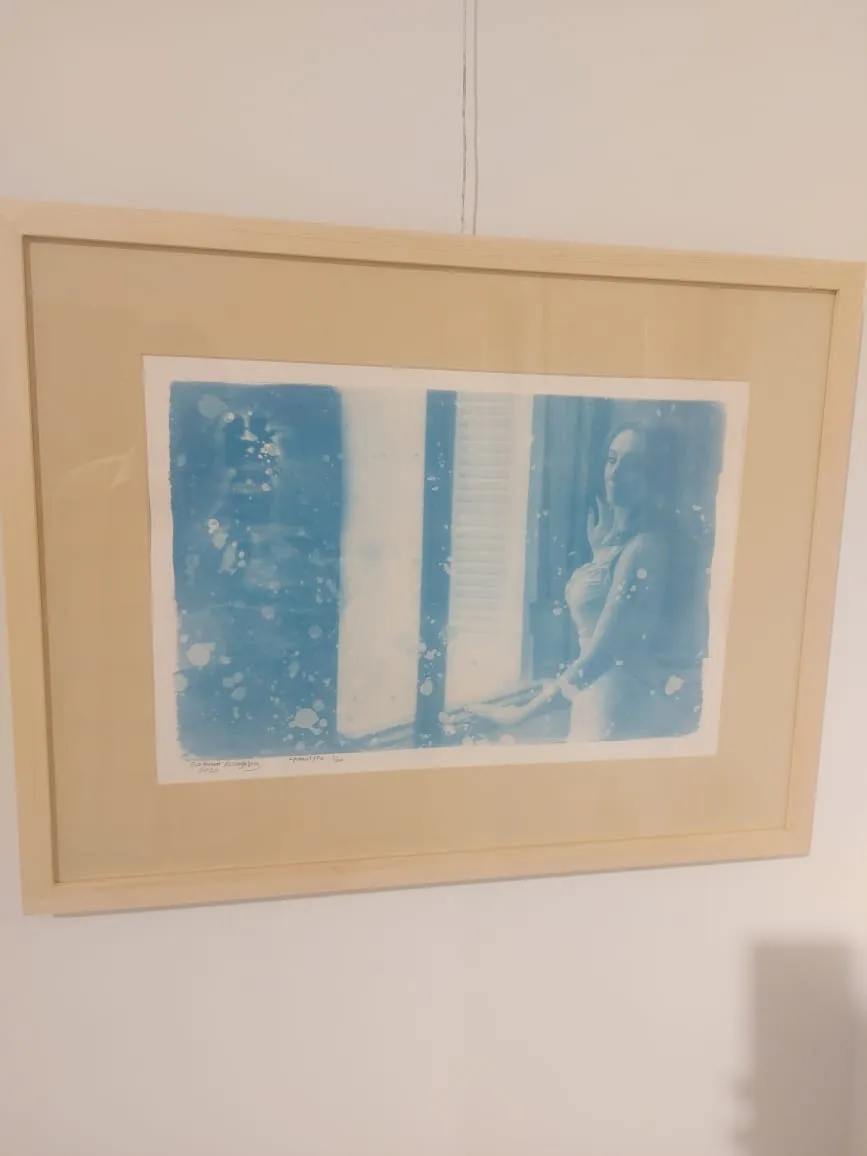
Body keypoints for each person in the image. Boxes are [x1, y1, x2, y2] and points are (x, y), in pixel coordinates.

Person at [472, 423, 698, 741]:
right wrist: (601, 551)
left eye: (633, 466)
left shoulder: (645, 548)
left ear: (654, 478)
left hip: (617, 702)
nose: (615, 473)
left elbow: (602, 654)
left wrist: (520, 714)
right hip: (597, 698)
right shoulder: (622, 545)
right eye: (612, 460)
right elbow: (599, 611)